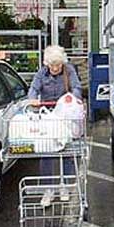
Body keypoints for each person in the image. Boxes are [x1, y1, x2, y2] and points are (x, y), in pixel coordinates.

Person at [28, 45, 82, 207]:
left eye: (58, 65)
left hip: (65, 115)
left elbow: (77, 87)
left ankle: (65, 186)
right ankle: (48, 189)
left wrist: (72, 97)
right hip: (48, 116)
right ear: (47, 64)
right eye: (52, 65)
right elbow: (33, 88)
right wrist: (33, 99)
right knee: (47, 152)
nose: (55, 68)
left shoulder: (69, 70)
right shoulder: (41, 73)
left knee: (67, 151)